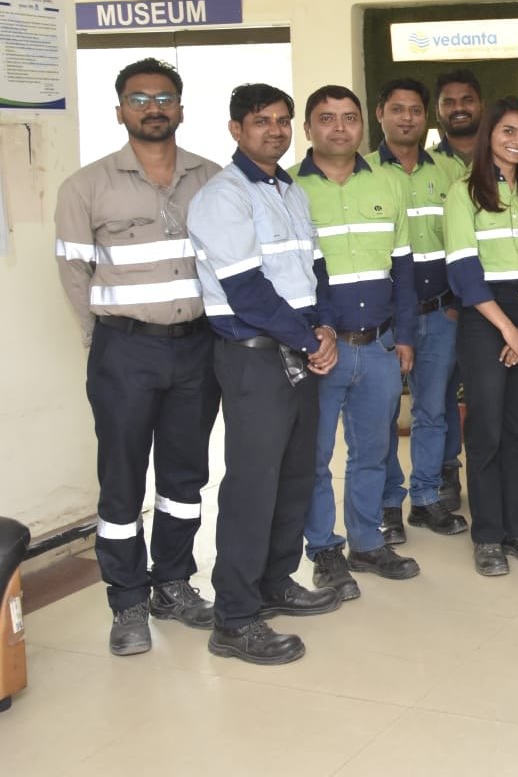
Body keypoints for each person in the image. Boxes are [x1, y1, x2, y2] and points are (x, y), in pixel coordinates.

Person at [55, 57, 221, 656]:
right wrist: (102, 339)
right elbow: (74, 272)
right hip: (123, 350)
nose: (153, 108)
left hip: (198, 347)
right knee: (122, 478)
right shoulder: (86, 186)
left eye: (164, 97)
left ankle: (172, 584)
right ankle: (127, 600)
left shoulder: (212, 178)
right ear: (120, 110)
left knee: (185, 476)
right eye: (140, 99)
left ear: (181, 108)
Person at [188, 83, 343, 665]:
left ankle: (276, 581)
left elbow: (316, 269)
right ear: (236, 129)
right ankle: (234, 618)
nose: (274, 130)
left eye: (281, 120)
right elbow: (247, 291)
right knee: (253, 484)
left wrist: (324, 329)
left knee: (295, 474)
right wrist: (309, 339)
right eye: (261, 121)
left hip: (300, 347)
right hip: (254, 356)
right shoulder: (222, 197)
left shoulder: (290, 189)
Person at [295, 85, 421, 601]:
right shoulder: (290, 189)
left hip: (379, 346)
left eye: (349, 117)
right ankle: (324, 550)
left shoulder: (389, 183)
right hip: (320, 350)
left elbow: (404, 269)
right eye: (327, 118)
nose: (339, 127)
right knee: (315, 457)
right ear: (308, 128)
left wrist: (406, 336)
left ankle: (367, 543)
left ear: (362, 126)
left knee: (373, 451)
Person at [444, 98, 518, 575]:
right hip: (486, 318)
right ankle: (488, 535)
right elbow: (464, 272)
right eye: (508, 131)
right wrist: (509, 331)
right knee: (486, 429)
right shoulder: (464, 193)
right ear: (489, 134)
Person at [370, 79, 469, 545]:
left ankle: (426, 498)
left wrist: (458, 301)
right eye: (397, 109)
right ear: (380, 114)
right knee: (384, 416)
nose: (406, 118)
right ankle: (388, 504)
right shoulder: (364, 173)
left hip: (440, 314)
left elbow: (466, 241)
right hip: (385, 321)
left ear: (426, 117)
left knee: (433, 412)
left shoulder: (450, 172)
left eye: (414, 110)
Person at [428, 68, 483, 510]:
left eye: (467, 99)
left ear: (481, 105)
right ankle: (447, 471)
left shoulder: (505, 157)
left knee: (491, 394)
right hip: (447, 304)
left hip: (501, 302)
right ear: (438, 110)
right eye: (449, 101)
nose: (459, 108)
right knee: (441, 394)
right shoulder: (428, 166)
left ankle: (492, 473)